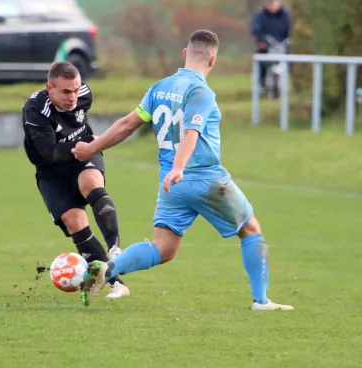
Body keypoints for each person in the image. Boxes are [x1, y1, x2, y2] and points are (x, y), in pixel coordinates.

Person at [72, 30, 294, 311]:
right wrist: (179, 167)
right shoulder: (201, 92)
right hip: (203, 178)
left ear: (185, 53)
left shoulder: (160, 87)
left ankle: (106, 269)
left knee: (162, 249)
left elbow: (128, 123)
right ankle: (261, 301)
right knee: (250, 229)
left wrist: (91, 148)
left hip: (171, 185)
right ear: (212, 61)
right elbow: (191, 131)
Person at [22, 61, 130, 301]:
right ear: (50, 89)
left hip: (83, 156)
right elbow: (48, 152)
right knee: (74, 222)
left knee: (91, 183)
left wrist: (91, 146)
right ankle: (115, 283)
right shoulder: (36, 109)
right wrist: (81, 144)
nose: (73, 97)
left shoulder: (84, 95)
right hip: (51, 169)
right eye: (66, 91)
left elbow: (81, 124)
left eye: (76, 89)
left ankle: (115, 248)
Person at [251, 0, 291, 90]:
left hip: (283, 44)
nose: (272, 6)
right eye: (270, 4)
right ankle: (261, 83)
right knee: (262, 61)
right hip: (267, 44)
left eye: (274, 4)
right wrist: (263, 39)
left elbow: (290, 28)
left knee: (289, 60)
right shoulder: (261, 15)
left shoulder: (285, 15)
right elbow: (256, 29)